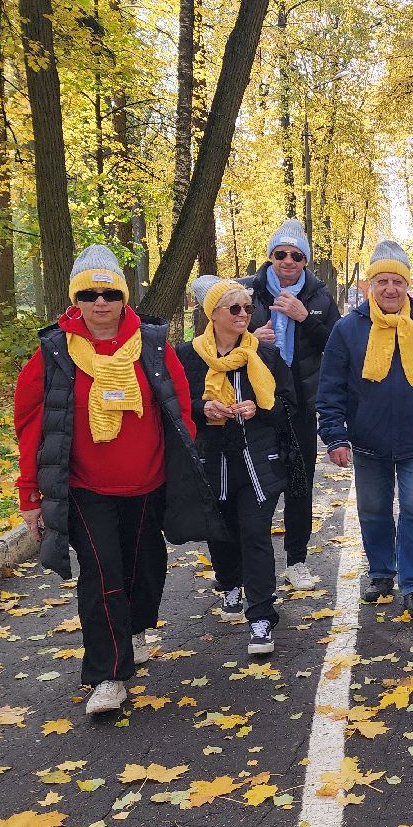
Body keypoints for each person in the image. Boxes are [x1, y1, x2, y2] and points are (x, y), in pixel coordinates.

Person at [14, 245, 219, 716]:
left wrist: (182, 462)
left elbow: (178, 404)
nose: (100, 302)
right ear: (75, 298)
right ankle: (107, 676)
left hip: (148, 483)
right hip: (86, 488)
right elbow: (31, 426)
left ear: (123, 296)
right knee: (101, 573)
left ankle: (136, 625)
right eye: (89, 293)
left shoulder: (151, 343)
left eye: (109, 292)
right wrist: (30, 494)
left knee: (144, 567)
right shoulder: (53, 353)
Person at [317, 239, 413, 618]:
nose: (390, 289)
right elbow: (330, 387)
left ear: (407, 284)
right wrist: (335, 434)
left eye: (397, 281)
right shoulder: (348, 329)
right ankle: (381, 573)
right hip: (367, 440)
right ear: (369, 286)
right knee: (374, 510)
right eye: (381, 281)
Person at [177, 276, 297, 655]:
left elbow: (290, 405)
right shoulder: (187, 357)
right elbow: (176, 406)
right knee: (222, 528)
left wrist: (260, 407)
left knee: (255, 533)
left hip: (258, 462)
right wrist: (203, 407)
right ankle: (229, 584)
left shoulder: (265, 356)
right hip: (212, 459)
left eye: (248, 307)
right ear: (211, 314)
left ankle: (261, 616)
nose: (244, 314)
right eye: (235, 308)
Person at [244, 219, 342, 589]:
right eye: (280, 254)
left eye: (296, 255)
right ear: (270, 256)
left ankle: (296, 560)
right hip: (255, 404)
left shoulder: (319, 297)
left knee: (299, 483)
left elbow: (337, 346)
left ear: (305, 260)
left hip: (300, 404)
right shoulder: (248, 294)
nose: (288, 261)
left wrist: (304, 319)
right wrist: (251, 339)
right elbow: (219, 341)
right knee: (254, 484)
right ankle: (249, 565)